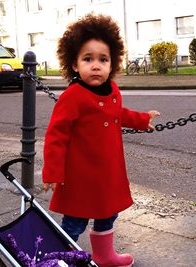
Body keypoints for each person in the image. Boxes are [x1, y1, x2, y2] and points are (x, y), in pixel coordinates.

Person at [42, 13, 160, 267]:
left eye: (103, 59)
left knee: (109, 213)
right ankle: (61, 260)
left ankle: (104, 255)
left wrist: (141, 120)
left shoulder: (112, 90)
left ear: (112, 64)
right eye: (88, 59)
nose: (96, 65)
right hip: (80, 176)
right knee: (75, 221)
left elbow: (117, 114)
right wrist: (52, 172)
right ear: (74, 64)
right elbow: (56, 135)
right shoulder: (73, 96)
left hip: (108, 173)